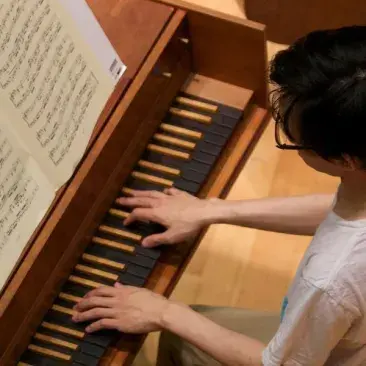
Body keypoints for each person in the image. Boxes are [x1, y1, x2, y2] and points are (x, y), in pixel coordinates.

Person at [73, 25, 366, 365]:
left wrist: (165, 312)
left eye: (290, 134)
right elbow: (342, 212)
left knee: (179, 341)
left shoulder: (330, 280)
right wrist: (211, 211)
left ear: (347, 159)